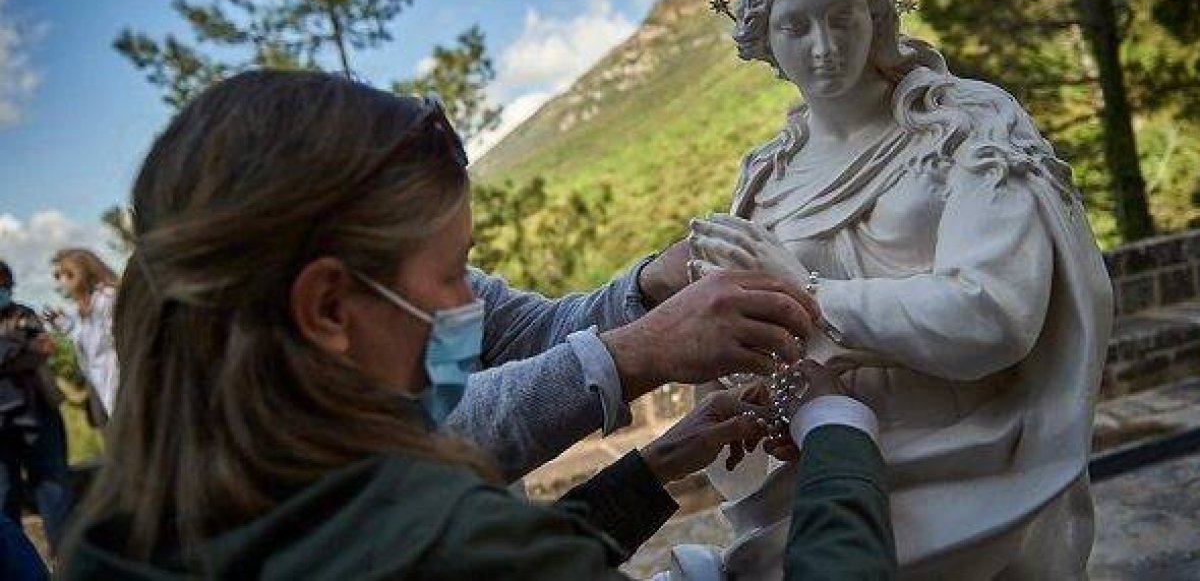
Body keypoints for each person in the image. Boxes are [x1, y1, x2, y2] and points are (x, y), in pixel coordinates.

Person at [60, 71, 895, 579]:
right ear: (324, 309)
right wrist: (840, 432)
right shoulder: (436, 537)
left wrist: (648, 469)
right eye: (453, 270)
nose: (472, 303)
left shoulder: (123, 535)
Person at [689, 0, 1111, 579]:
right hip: (823, 476)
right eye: (795, 26)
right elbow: (756, 346)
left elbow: (994, 314)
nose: (824, 46)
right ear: (763, 39)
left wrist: (809, 291)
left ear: (878, 12)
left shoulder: (962, 126)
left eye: (843, 17)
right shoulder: (764, 178)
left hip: (971, 468)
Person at [0, 259, 73, 554]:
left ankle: (66, 561)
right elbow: (28, 351)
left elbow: (43, 349)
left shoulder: (24, 314)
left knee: (53, 491)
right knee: (5, 497)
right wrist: (17, 348)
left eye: (3, 284)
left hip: (37, 416)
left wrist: (11, 351)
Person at [44, 249, 119, 425]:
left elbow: (102, 344)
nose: (60, 283)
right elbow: (89, 342)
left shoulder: (107, 299)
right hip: (105, 391)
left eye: (62, 276)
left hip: (120, 386)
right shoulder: (86, 307)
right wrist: (65, 324)